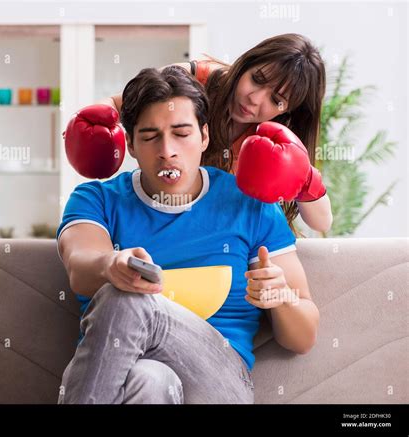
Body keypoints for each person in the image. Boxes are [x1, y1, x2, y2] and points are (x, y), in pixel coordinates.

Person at [57, 65, 319, 404]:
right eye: (150, 137)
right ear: (131, 145)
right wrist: (111, 265)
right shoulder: (97, 199)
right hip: (126, 379)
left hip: (219, 379)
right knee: (149, 379)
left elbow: (304, 338)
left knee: (127, 297)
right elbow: (80, 266)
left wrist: (282, 297)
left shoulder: (249, 206)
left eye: (181, 133)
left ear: (204, 136)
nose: (167, 150)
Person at [64, 33, 332, 234]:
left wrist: (302, 174)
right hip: (158, 215)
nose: (254, 98)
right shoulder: (195, 79)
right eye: (257, 79)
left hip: (220, 235)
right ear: (245, 64)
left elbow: (322, 222)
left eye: (276, 100)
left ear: (288, 111)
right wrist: (89, 125)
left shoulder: (276, 139)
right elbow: (119, 103)